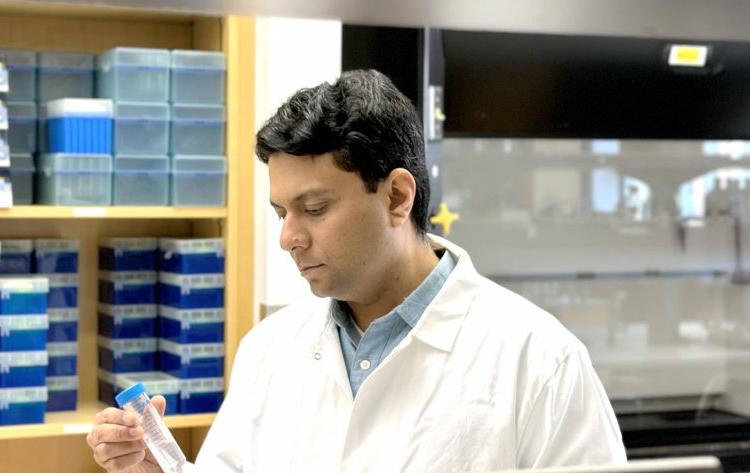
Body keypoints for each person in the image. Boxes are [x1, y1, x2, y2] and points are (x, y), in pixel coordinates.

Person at [87, 69, 627, 472]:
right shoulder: (268, 350)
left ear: (396, 196)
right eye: (281, 213)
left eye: (315, 209)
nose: (288, 238)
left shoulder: (539, 361)